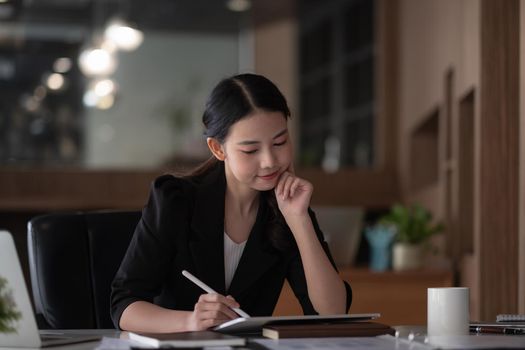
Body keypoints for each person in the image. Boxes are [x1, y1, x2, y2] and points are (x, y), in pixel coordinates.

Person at [110, 73, 352, 333]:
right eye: (251, 150)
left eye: (280, 142)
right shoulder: (175, 200)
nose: (270, 160)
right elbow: (124, 306)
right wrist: (191, 321)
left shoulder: (287, 207)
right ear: (218, 149)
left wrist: (299, 220)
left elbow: (332, 313)